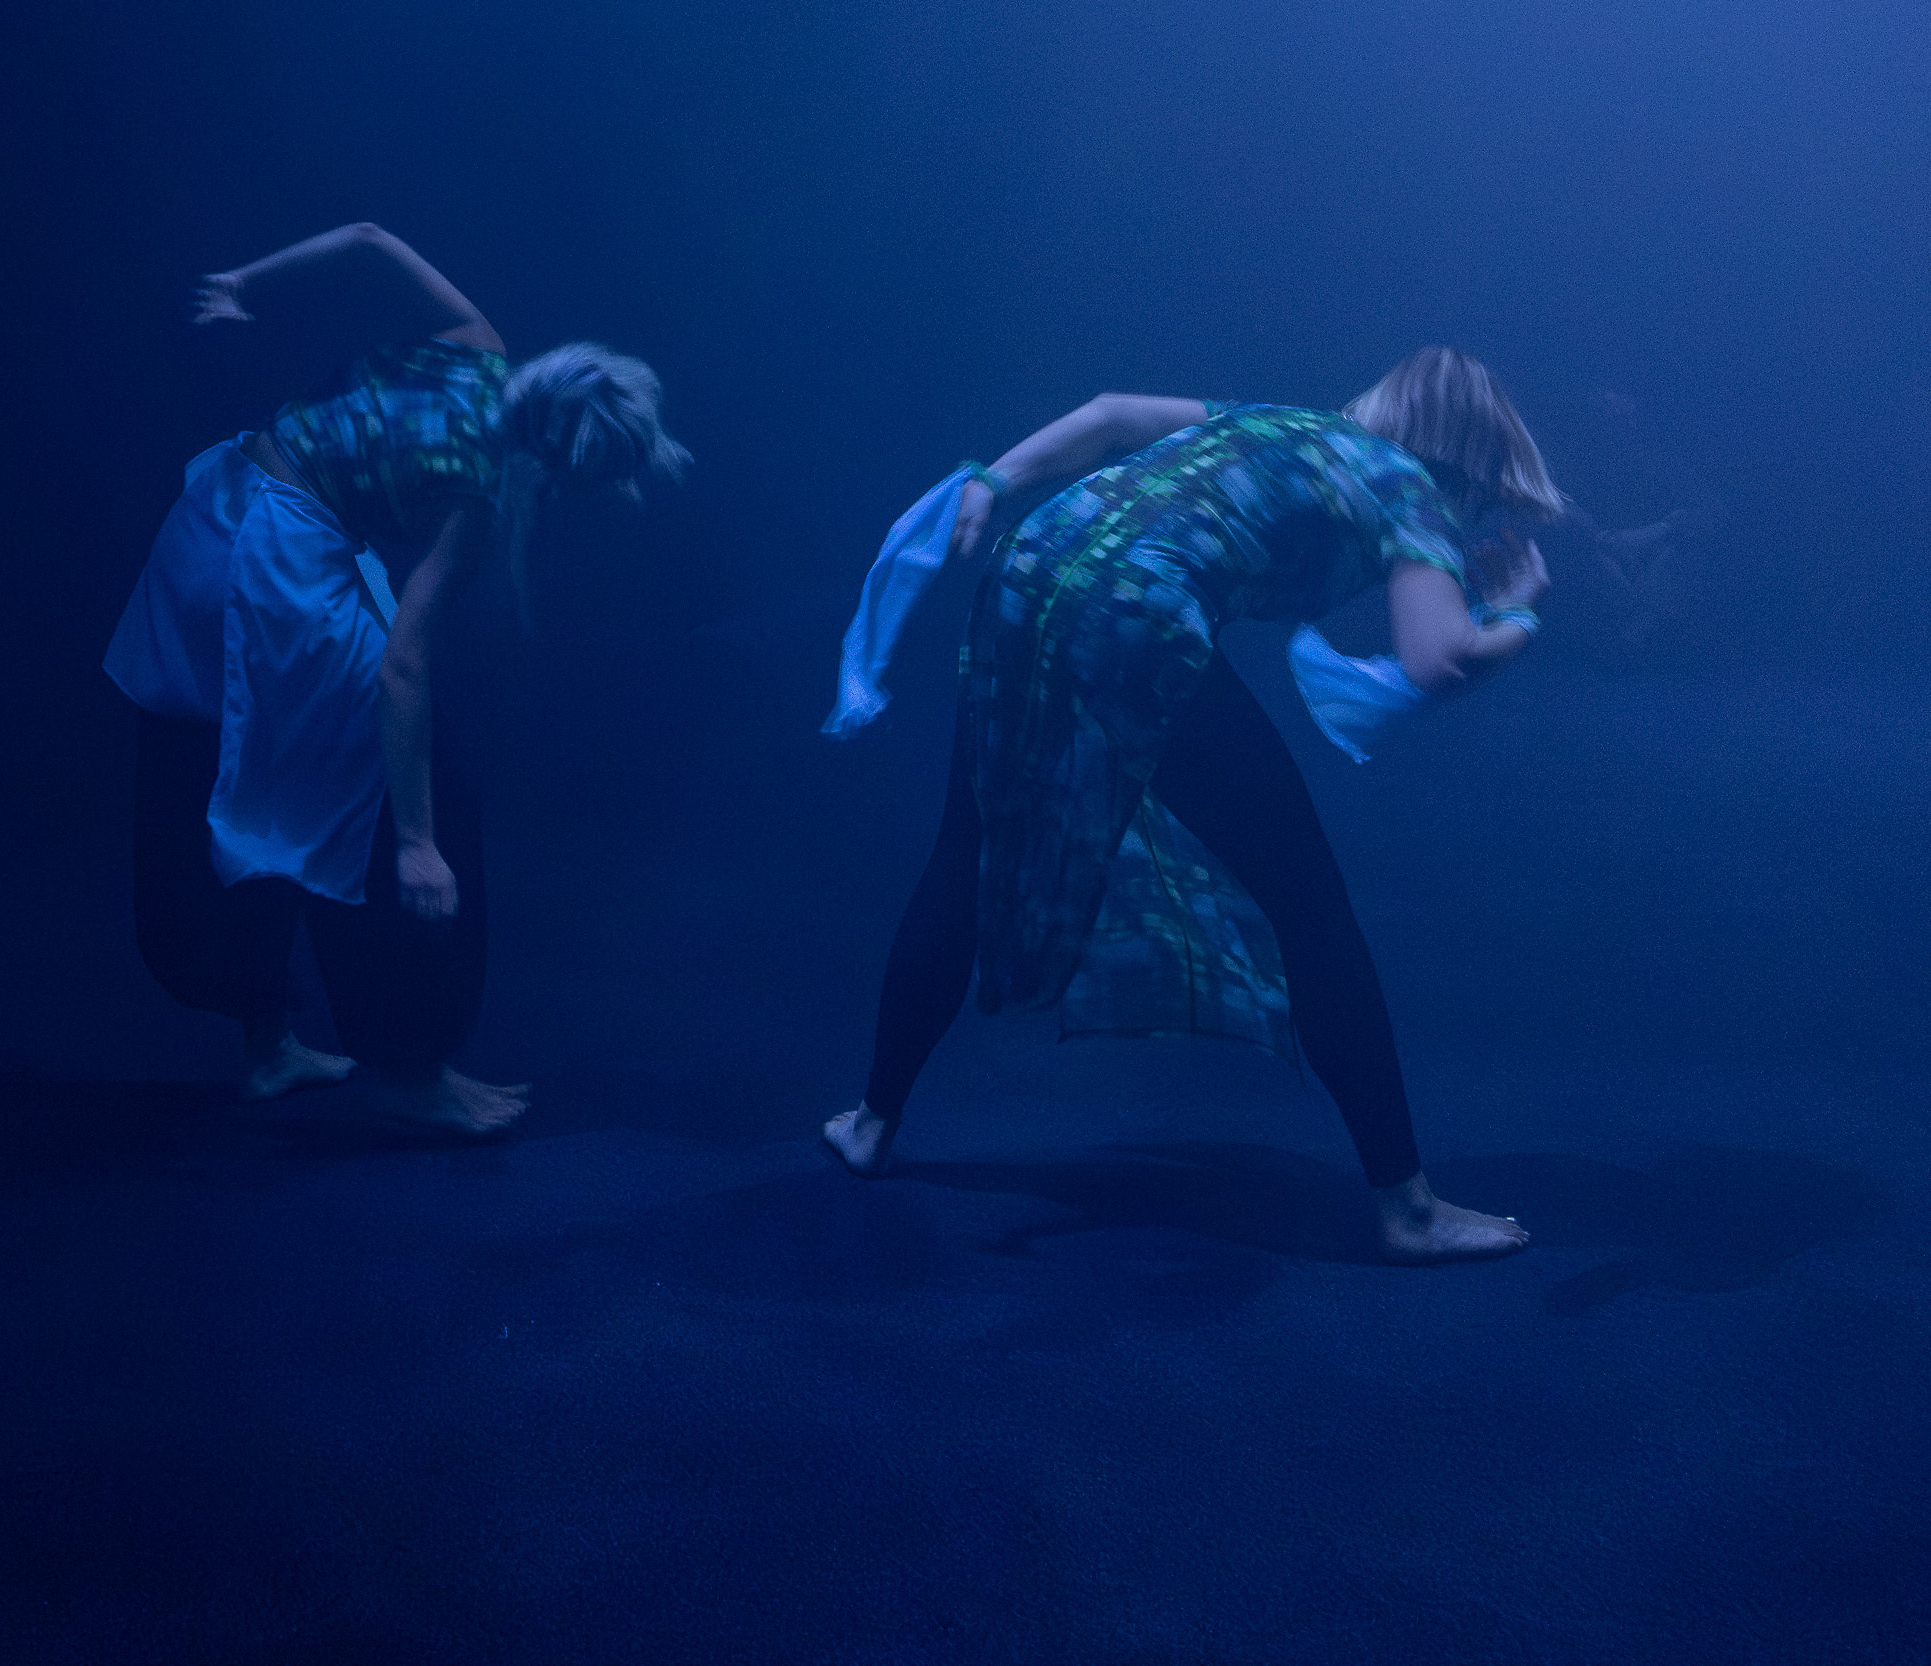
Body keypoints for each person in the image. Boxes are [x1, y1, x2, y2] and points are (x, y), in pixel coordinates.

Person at [821, 352, 1560, 1264]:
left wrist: (994, 479)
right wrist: (1517, 615)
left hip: (1030, 571)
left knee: (966, 853)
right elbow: (1436, 659)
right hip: (1130, 612)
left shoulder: (1274, 422)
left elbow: (1109, 412)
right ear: (1467, 465)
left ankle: (870, 1125)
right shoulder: (1407, 485)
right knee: (1310, 908)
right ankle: (1406, 1210)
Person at [106, 224, 688, 1136]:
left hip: (214, 519)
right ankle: (411, 1068)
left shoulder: (476, 343)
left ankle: (269, 1045)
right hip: (271, 567)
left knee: (264, 775)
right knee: (417, 785)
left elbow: (370, 239)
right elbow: (404, 665)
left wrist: (243, 282)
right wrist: (418, 843)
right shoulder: (476, 494)